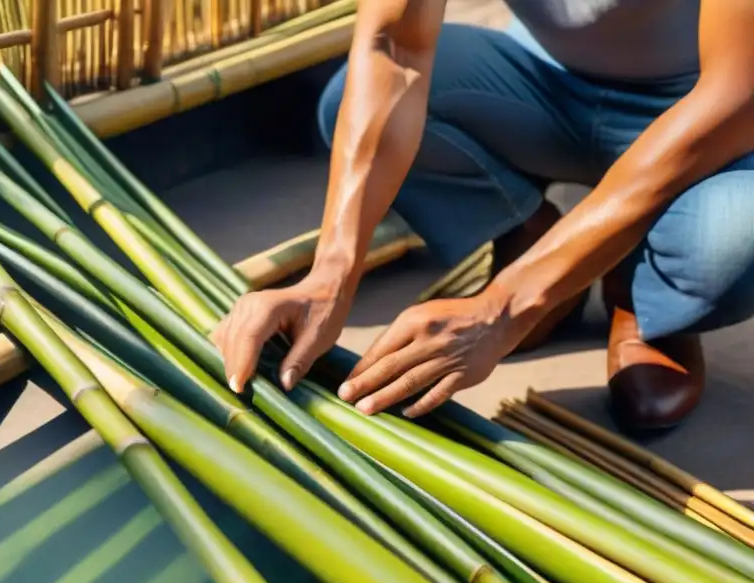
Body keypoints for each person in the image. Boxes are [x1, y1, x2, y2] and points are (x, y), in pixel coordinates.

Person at [210, 0, 754, 434]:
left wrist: (504, 305)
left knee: (734, 235)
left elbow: (735, 98)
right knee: (348, 103)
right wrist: (329, 276)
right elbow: (396, 50)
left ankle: (642, 293)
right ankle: (528, 233)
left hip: (705, 107)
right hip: (545, 85)